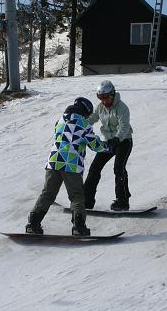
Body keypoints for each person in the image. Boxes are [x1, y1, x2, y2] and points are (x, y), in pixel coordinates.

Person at [25, 97, 108, 236]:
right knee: (76, 195)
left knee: (47, 194)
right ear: (85, 111)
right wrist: (107, 146)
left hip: (53, 162)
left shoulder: (60, 121)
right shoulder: (83, 124)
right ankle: (79, 227)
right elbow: (96, 146)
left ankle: (32, 223)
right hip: (71, 164)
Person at [84, 80, 133, 211]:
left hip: (124, 141)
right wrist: (78, 126)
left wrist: (117, 138)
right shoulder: (100, 107)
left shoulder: (122, 107)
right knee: (95, 168)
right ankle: (86, 200)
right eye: (100, 97)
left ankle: (122, 201)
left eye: (105, 97)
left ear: (112, 94)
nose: (103, 100)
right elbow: (92, 119)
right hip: (108, 142)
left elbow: (124, 126)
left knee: (119, 168)